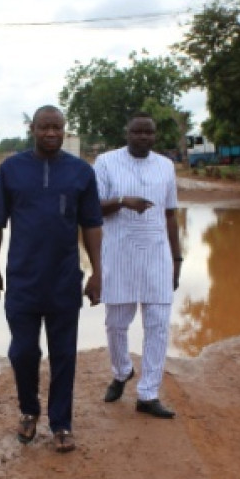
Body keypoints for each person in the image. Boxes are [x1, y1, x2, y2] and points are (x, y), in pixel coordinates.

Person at [0, 105, 103, 453]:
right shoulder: (11, 170)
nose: (51, 133)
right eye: (44, 127)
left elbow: (92, 225)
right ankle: (28, 410)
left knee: (64, 354)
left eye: (57, 127)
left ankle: (61, 424)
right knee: (23, 352)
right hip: (22, 280)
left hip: (64, 280)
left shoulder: (81, 172)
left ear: (64, 130)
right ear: (32, 129)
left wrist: (98, 272)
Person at [95, 112, 181, 419]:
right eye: (138, 132)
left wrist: (177, 258)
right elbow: (92, 208)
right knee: (116, 324)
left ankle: (148, 394)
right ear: (127, 132)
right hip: (119, 255)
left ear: (154, 136)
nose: (144, 137)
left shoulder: (166, 166)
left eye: (149, 133)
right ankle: (122, 371)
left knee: (157, 326)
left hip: (157, 256)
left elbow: (170, 214)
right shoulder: (106, 163)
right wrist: (121, 201)